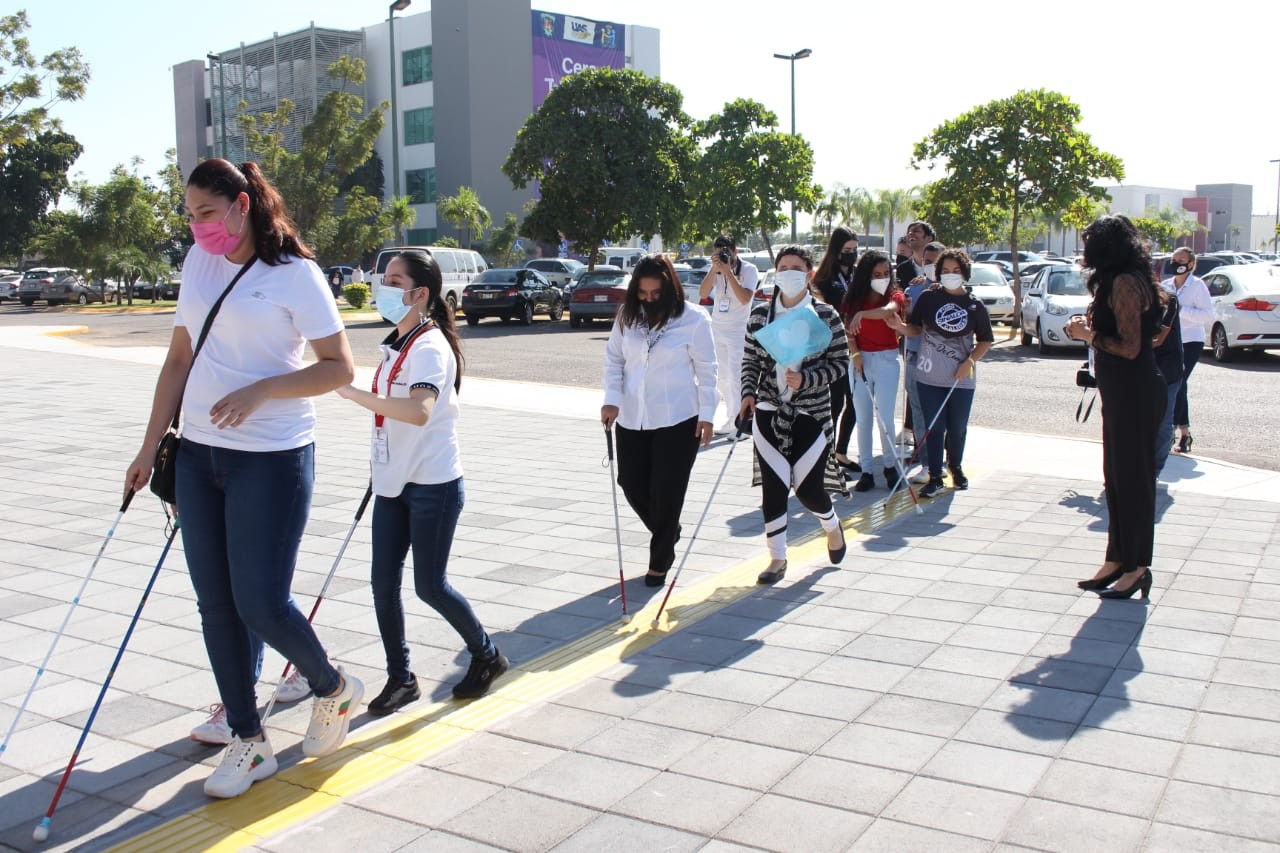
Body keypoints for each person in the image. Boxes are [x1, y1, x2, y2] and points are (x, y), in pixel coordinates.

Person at [124, 158, 362, 799]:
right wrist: (148, 448)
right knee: (216, 605)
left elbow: (339, 368)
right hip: (198, 458)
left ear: (243, 204)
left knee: (260, 600)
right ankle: (248, 739)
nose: (197, 226)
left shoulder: (295, 275)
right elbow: (178, 358)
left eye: (207, 212)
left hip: (272, 457)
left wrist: (262, 390)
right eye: (190, 215)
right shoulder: (198, 264)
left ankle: (333, 687)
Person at [336, 251, 507, 716]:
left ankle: (487, 654)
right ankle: (401, 678)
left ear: (420, 293)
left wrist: (355, 394)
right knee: (382, 584)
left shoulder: (429, 347)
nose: (383, 287)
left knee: (430, 586)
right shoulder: (398, 342)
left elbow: (417, 412)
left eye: (395, 281)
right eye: (384, 278)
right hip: (394, 483)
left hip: (433, 485)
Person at [1064, 215, 1166, 600]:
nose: (1085, 249)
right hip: (1121, 392)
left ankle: (1138, 567)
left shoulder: (1125, 282)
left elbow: (1131, 347)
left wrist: (1087, 335)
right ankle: (1118, 559)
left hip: (1135, 392)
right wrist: (1089, 329)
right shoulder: (1117, 280)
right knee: (1116, 479)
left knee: (1134, 482)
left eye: (1090, 242)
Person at [602, 254, 717, 586]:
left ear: (670, 289)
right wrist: (611, 399)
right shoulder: (626, 316)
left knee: (667, 490)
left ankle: (660, 558)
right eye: (643, 293)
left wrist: (708, 416)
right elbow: (614, 359)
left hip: (678, 417)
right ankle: (668, 530)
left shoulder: (694, 319)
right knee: (630, 483)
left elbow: (708, 371)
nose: (649, 299)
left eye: (655, 293)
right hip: (632, 415)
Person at [740, 246, 850, 584]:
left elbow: (840, 363)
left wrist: (807, 379)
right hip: (769, 409)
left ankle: (832, 525)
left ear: (809, 273)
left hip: (811, 413)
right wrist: (747, 393)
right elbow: (750, 360)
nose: (789, 273)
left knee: (807, 489)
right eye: (783, 267)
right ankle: (777, 558)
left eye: (796, 267)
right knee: (773, 486)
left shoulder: (825, 316)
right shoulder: (761, 315)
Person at [887, 249, 994, 498]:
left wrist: (970, 362)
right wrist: (900, 327)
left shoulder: (974, 305)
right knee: (934, 428)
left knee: (957, 427)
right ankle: (935, 475)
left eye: (955, 270)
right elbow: (915, 329)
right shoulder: (929, 298)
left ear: (965, 273)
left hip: (961, 377)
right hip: (929, 375)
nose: (950, 275)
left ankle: (955, 466)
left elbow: (985, 340)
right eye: (945, 270)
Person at [841, 250, 906, 492]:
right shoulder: (854, 298)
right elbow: (849, 331)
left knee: (885, 418)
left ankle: (890, 466)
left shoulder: (895, 295)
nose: (883, 278)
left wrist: (863, 314)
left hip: (887, 359)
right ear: (866, 275)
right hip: (861, 361)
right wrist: (856, 355)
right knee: (863, 418)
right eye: (877, 274)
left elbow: (889, 310)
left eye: (886, 273)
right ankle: (867, 472)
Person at [699, 235, 759, 435]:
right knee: (722, 377)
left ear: (735, 251)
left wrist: (728, 272)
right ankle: (731, 417)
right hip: (718, 328)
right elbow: (703, 293)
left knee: (736, 376)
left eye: (726, 252)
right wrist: (714, 268)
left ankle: (740, 423)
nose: (723, 255)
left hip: (739, 330)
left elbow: (745, 298)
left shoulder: (749, 269)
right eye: (719, 252)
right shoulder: (716, 269)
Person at [811, 227, 859, 475]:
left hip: (857, 348)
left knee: (856, 402)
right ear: (836, 251)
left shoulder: (857, 275)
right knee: (835, 403)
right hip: (832, 350)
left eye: (854, 250)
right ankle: (824, 458)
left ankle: (841, 452)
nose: (851, 254)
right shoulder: (823, 280)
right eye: (847, 250)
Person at [1160, 247, 1213, 454]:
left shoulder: (1197, 286)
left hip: (1191, 341)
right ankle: (1183, 433)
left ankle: (1174, 431)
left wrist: (1181, 310)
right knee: (1173, 384)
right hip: (1170, 342)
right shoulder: (1166, 286)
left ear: (1191, 264)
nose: (1176, 263)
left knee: (1179, 383)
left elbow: (1207, 315)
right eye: (1173, 259)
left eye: (1181, 260)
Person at [901, 240, 944, 481]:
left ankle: (943, 459)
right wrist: (905, 311)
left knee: (942, 411)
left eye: (936, 262)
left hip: (943, 359)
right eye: (927, 262)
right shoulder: (913, 289)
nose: (931, 267)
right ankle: (926, 461)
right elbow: (906, 322)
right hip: (916, 355)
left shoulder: (956, 292)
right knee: (918, 409)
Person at [1152, 287, 1183, 478]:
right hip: (1138, 371)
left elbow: (1158, 338)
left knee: (1163, 423)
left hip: (1167, 372)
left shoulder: (1169, 299)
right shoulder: (1125, 297)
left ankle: (1154, 471)